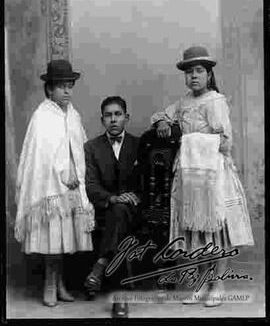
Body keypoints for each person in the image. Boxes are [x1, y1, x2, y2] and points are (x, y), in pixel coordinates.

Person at [151, 46, 254, 307]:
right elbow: (161, 114)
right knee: (195, 230)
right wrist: (162, 122)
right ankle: (199, 282)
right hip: (189, 174)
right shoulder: (183, 102)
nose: (193, 76)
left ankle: (217, 284)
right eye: (189, 72)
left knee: (216, 230)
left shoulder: (215, 102)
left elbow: (226, 142)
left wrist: (190, 141)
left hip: (213, 174)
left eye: (199, 71)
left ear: (209, 75)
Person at [14, 60, 95, 307]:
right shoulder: (42, 117)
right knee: (52, 238)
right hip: (50, 187)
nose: (67, 91)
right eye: (61, 86)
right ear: (49, 89)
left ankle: (60, 283)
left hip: (71, 188)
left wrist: (75, 174)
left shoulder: (73, 114)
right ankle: (49, 284)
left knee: (63, 239)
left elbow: (79, 147)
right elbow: (40, 156)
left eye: (70, 86)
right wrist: (61, 173)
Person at [84, 96, 141, 318]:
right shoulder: (91, 147)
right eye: (108, 115)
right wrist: (111, 199)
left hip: (136, 211)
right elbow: (90, 185)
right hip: (106, 209)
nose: (113, 119)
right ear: (102, 120)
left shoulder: (139, 145)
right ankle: (120, 298)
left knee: (121, 213)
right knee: (117, 212)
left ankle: (100, 265)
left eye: (118, 114)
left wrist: (135, 197)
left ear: (126, 118)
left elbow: (148, 182)